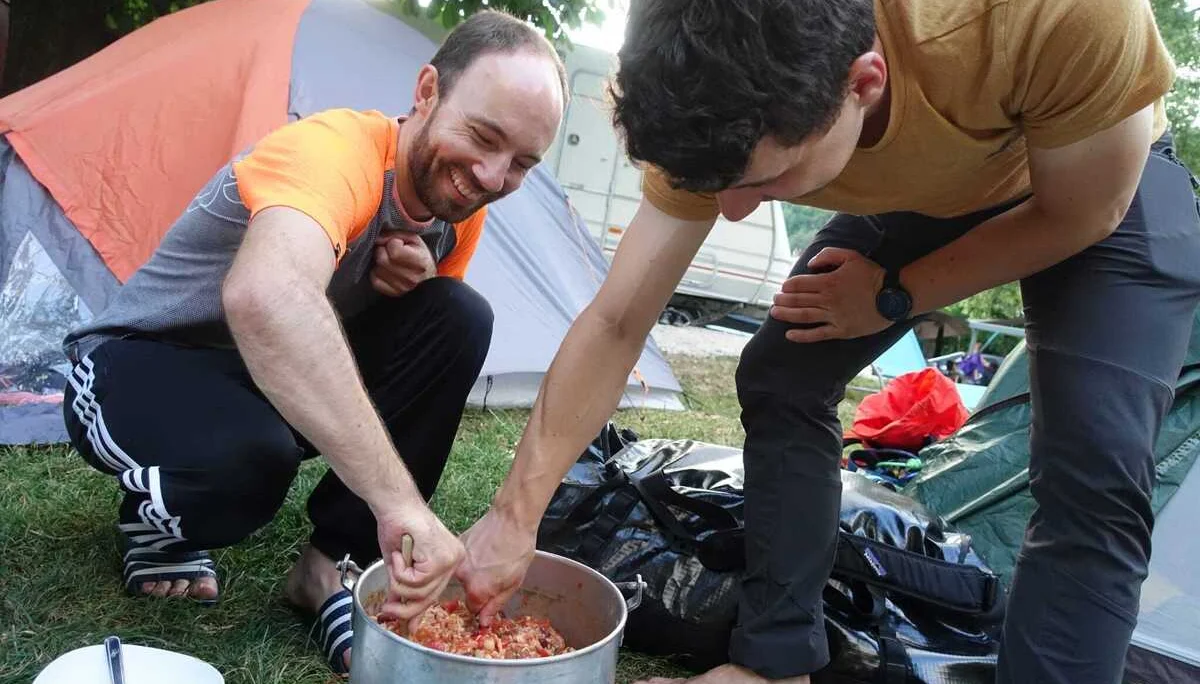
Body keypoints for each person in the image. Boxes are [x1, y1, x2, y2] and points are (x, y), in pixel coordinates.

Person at [453, 1, 1200, 683]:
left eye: (763, 180)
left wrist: (892, 293)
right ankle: (775, 664)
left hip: (1099, 179)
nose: (732, 212)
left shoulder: (1056, 14)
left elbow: (1083, 212)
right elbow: (618, 321)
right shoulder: (703, 73)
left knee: (1093, 472)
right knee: (784, 371)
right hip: (931, 187)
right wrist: (514, 517)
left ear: (864, 82)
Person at [59, 9, 565, 675]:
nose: (494, 177)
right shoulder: (332, 150)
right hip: (137, 363)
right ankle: (157, 519)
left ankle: (332, 566)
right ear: (426, 92)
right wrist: (401, 505)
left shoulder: (455, 207)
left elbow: (423, 359)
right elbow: (265, 296)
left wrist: (409, 292)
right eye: (483, 136)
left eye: (522, 163)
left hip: (258, 387)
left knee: (457, 313)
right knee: (250, 461)